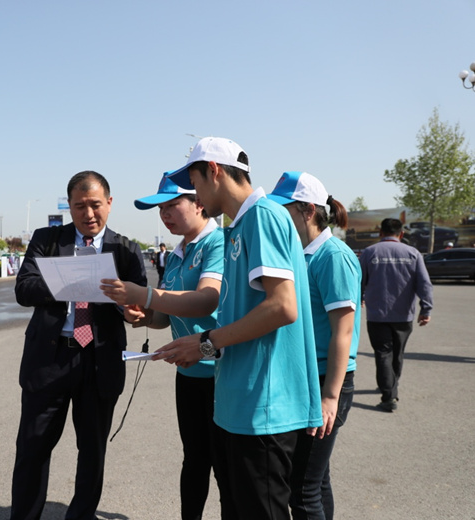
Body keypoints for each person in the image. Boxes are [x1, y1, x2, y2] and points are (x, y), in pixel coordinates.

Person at [154, 137, 322, 520]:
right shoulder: (240, 226)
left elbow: (282, 306)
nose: (196, 196)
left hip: (264, 406)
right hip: (240, 403)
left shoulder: (263, 216)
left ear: (213, 170)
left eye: (194, 183)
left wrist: (205, 343)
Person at [11, 171, 147, 520]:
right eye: (79, 206)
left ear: (110, 203)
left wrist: (132, 312)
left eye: (95, 205)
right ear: (69, 206)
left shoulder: (126, 250)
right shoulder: (47, 240)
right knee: (32, 449)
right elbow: (24, 289)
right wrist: (72, 278)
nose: (88, 214)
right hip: (51, 358)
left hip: (100, 360)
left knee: (92, 452)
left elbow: (137, 305)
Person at [101, 173, 223, 520]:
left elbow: (207, 300)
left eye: (172, 205)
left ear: (199, 203)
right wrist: (142, 316)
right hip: (189, 373)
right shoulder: (178, 252)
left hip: (221, 372)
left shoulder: (218, 244)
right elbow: (164, 317)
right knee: (194, 460)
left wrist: (146, 294)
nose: (165, 214)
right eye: (160, 209)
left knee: (227, 465)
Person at [268, 171, 362, 520]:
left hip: (326, 380)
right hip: (308, 377)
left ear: (308, 210)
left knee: (303, 488)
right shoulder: (300, 254)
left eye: (284, 211)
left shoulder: (333, 256)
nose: (278, 219)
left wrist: (330, 397)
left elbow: (343, 332)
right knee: (316, 481)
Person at [359, 218, 433, 412]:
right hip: (403, 316)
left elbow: (358, 280)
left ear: (380, 233)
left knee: (383, 353)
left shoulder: (369, 253)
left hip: (377, 316)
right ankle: (390, 386)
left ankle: (389, 395)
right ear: (401, 234)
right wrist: (426, 309)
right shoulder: (413, 253)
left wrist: (359, 298)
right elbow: (424, 284)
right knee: (397, 354)